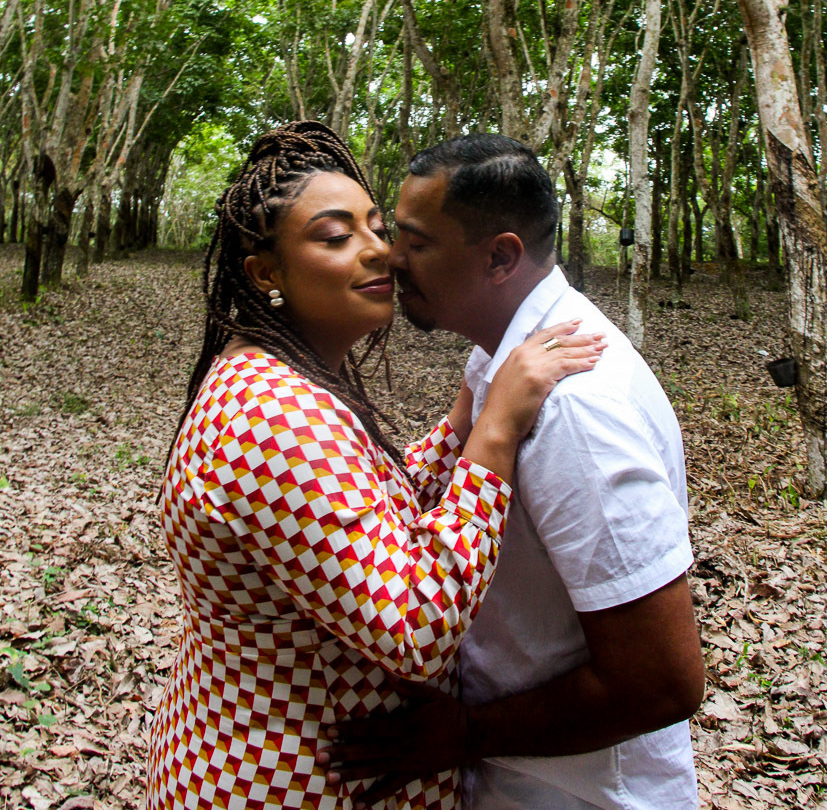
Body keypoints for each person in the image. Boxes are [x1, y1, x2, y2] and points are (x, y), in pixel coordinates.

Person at [145, 121, 605, 810]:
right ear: (266, 273)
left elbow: (360, 520)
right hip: (289, 779)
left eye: (377, 228)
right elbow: (416, 624)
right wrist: (496, 431)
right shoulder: (271, 415)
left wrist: (464, 415)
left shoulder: (279, 380)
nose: (379, 253)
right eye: (335, 237)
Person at [324, 133, 705, 810]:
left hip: (579, 795)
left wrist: (465, 732)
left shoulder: (574, 413)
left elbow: (662, 682)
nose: (390, 256)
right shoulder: (503, 361)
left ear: (500, 256)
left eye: (416, 241)